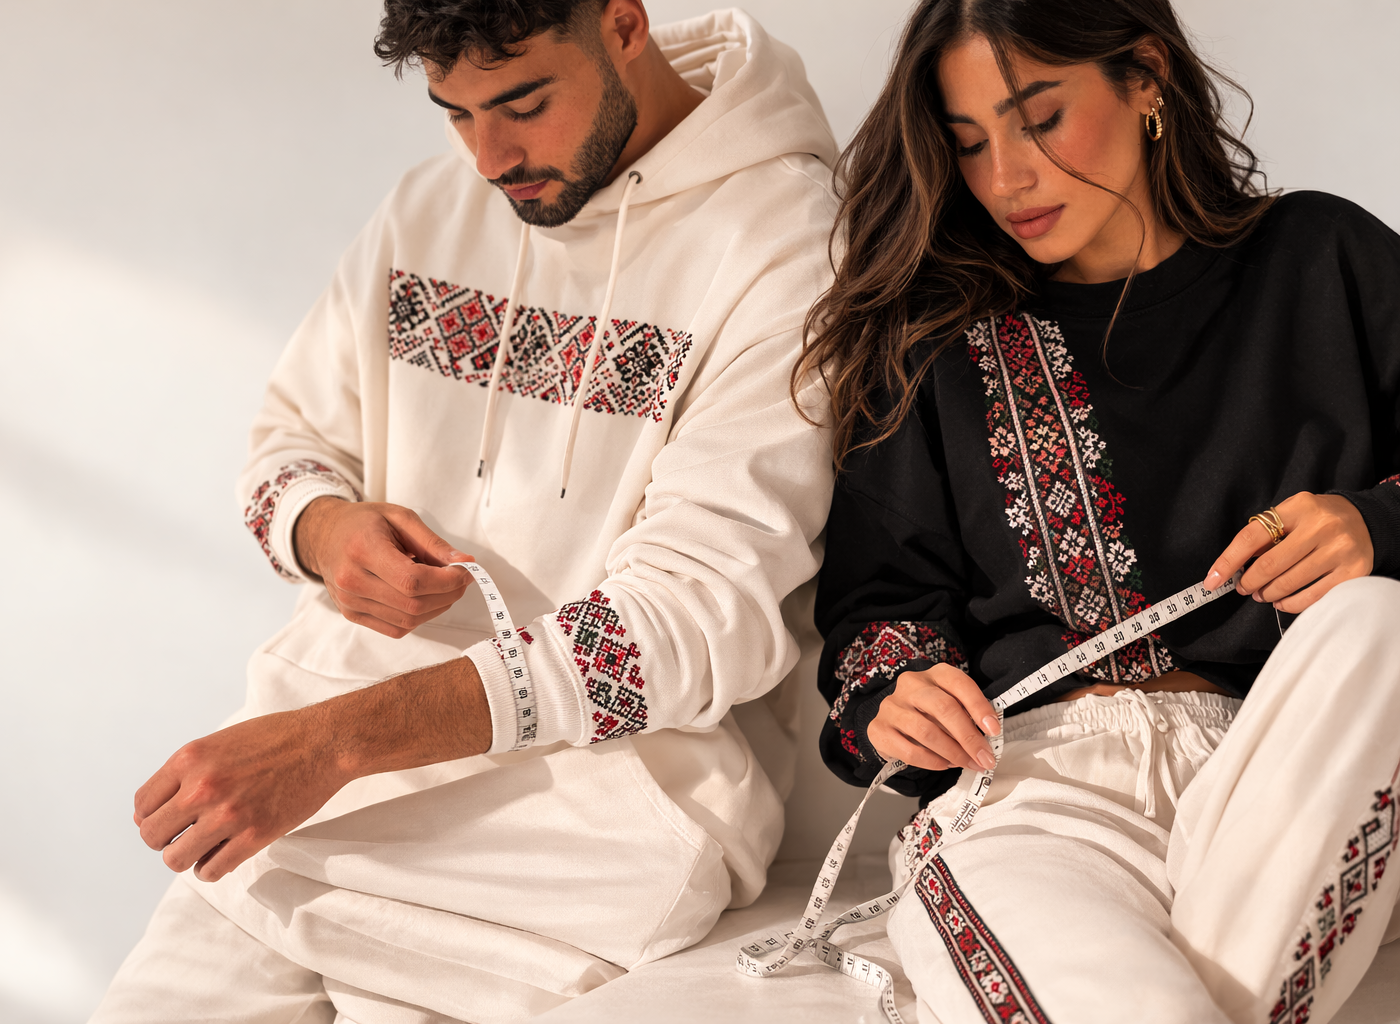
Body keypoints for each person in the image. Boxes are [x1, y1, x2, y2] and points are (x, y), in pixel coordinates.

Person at [90, 3, 839, 1022]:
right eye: (455, 113)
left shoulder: (784, 247)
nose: (491, 157)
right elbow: (288, 443)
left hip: (587, 837)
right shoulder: (431, 210)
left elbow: (693, 621)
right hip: (310, 810)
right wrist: (327, 530)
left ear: (623, 24)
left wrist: (331, 744)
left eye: (523, 103)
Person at [805, 1, 1400, 1022]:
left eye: (1039, 117)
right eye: (969, 143)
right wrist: (895, 695)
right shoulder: (936, 340)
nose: (1005, 178)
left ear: (1146, 78)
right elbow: (877, 610)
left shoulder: (1322, 258)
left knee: (1379, 621)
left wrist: (1380, 528)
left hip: (1303, 766)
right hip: (1040, 791)